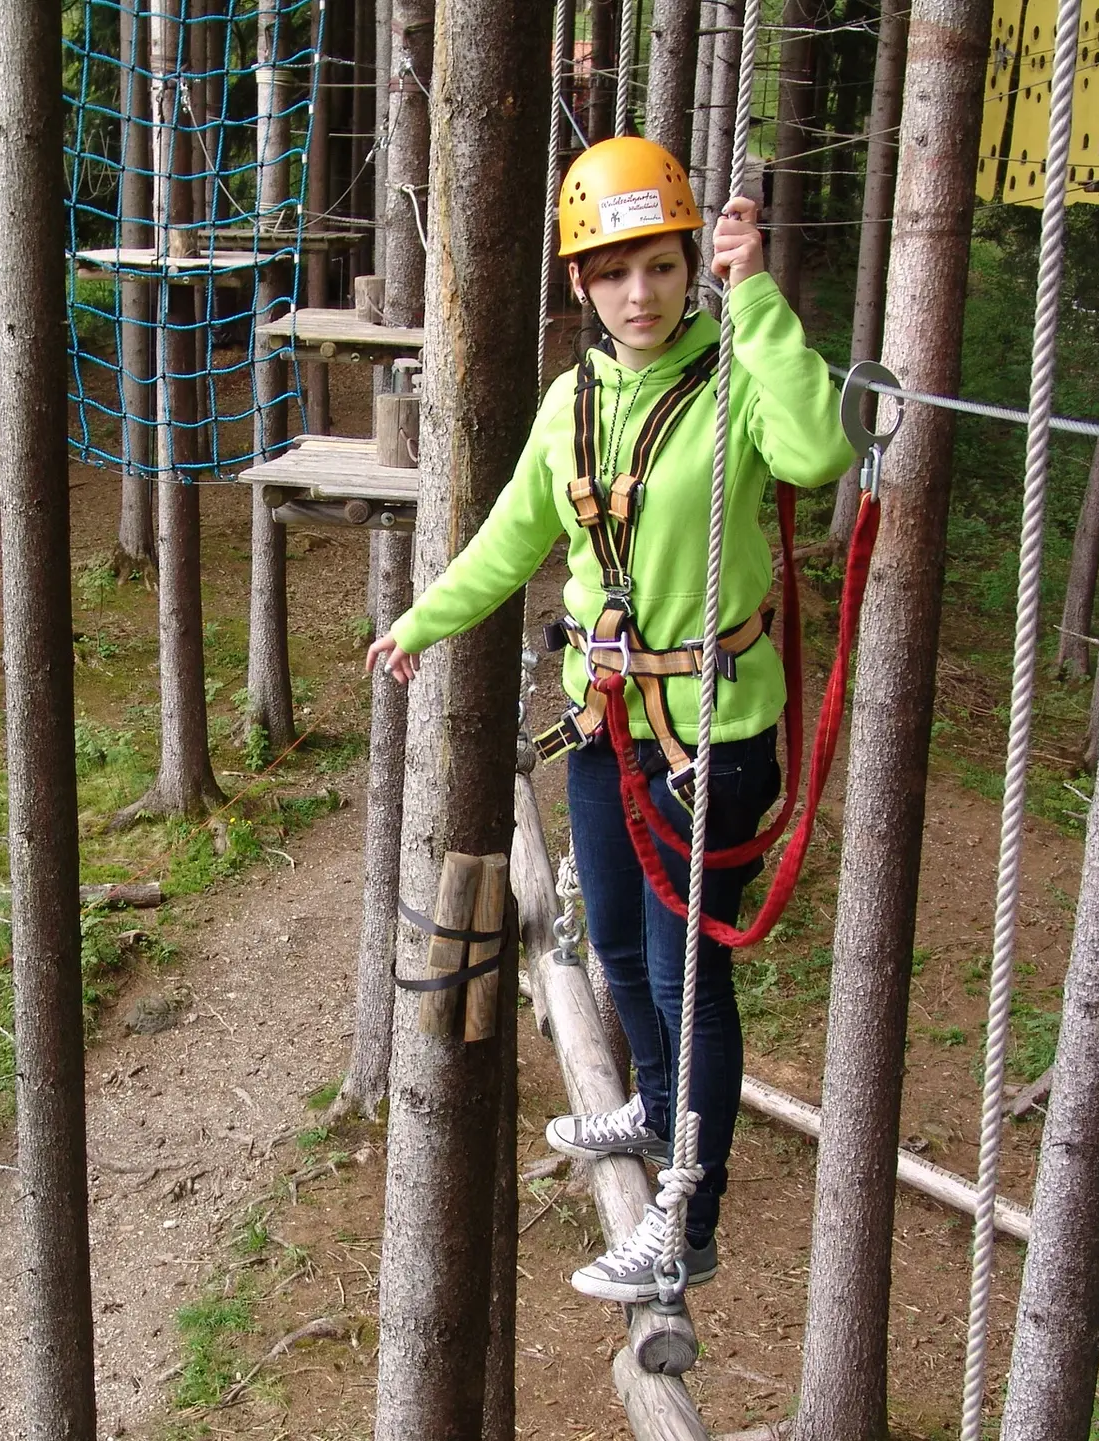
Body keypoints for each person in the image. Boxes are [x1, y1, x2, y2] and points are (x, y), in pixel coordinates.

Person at [364, 137, 851, 1303]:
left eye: (662, 268)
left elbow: (820, 452)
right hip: (606, 720)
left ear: (692, 267)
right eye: (615, 272)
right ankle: (650, 1104)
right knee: (619, 945)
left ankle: (690, 1214)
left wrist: (761, 299)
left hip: (712, 740)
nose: (641, 294)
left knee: (689, 981)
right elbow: (514, 536)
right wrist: (425, 621)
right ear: (582, 285)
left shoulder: (737, 383)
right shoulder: (573, 400)